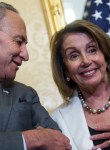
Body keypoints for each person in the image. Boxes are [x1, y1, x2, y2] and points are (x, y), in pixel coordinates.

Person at [50, 19, 110, 150]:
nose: (85, 61)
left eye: (92, 50)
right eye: (74, 56)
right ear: (65, 70)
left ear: (106, 57)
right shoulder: (59, 120)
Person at [0, 2, 72, 150]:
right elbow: (42, 139)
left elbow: (60, 142)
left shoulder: (26, 94)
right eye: (18, 42)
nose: (26, 56)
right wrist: (31, 139)